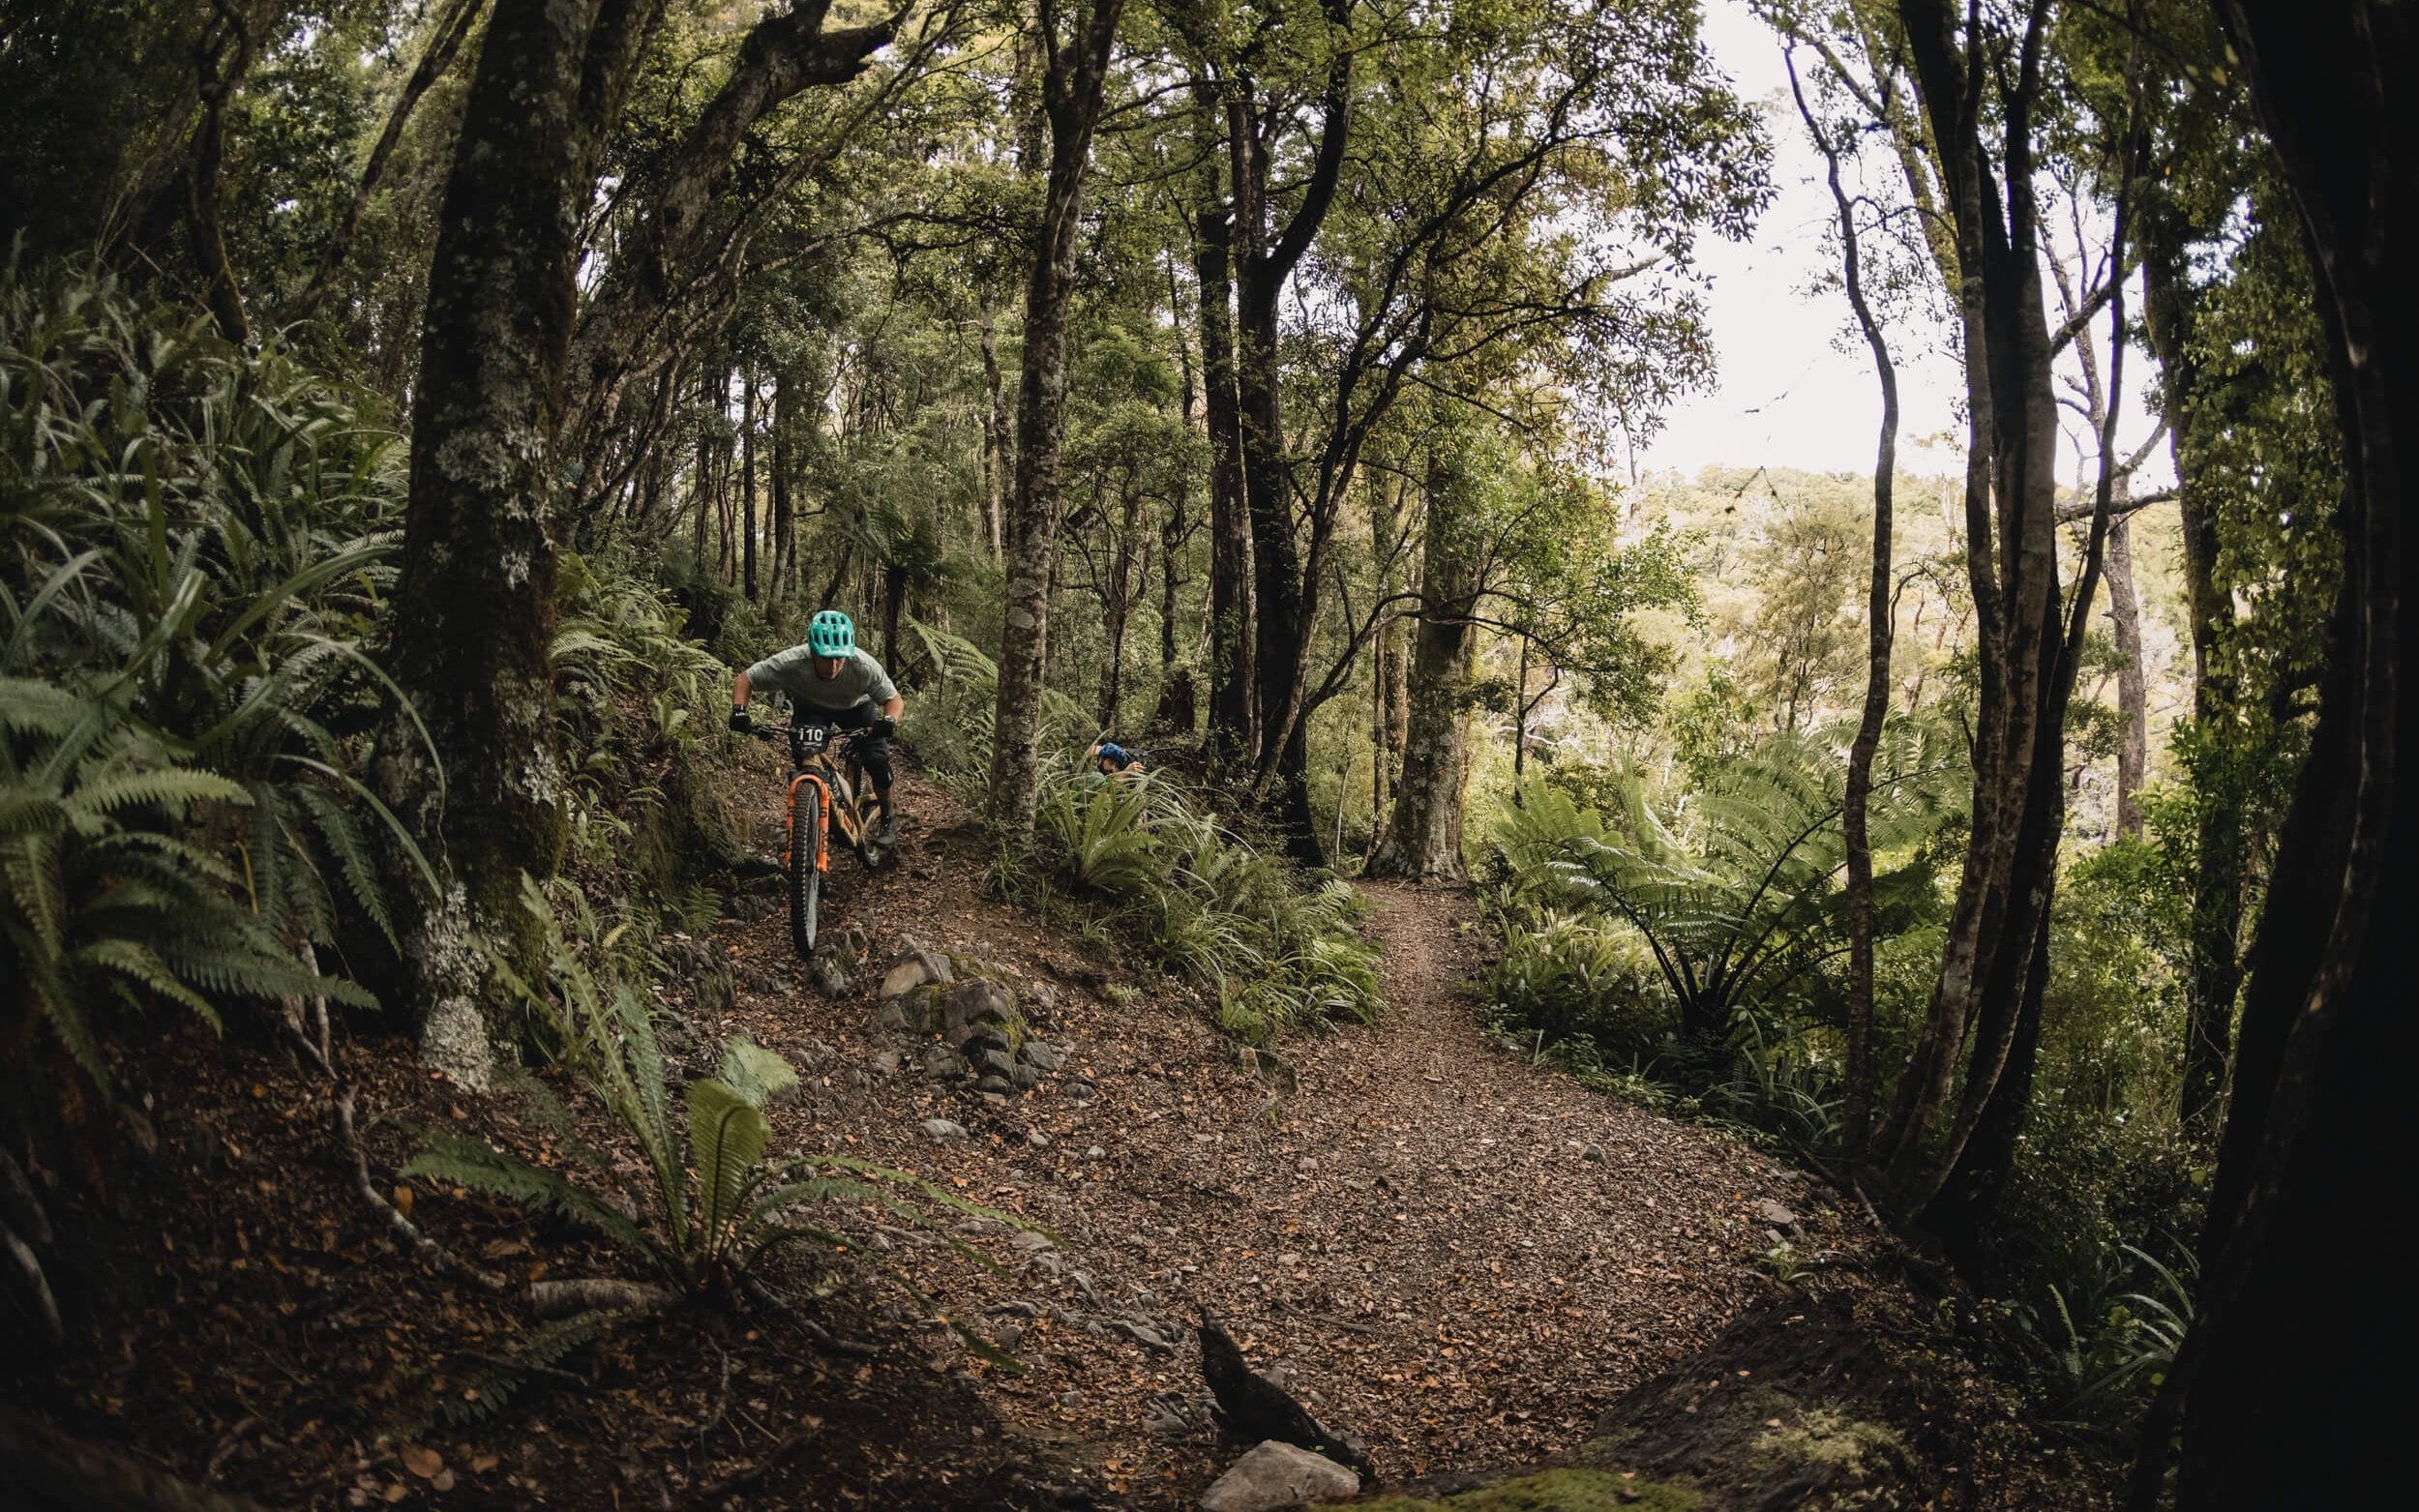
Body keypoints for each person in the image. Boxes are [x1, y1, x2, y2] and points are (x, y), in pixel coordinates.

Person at [730, 609, 905, 845]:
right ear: (812, 651)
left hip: (856, 708)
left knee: (878, 763)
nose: (833, 666)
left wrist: (889, 721)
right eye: (825, 658)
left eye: (839, 658)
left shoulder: (863, 665)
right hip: (811, 708)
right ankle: (811, 814)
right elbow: (746, 679)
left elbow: (894, 699)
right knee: (806, 759)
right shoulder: (792, 661)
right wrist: (739, 711)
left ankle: (887, 817)